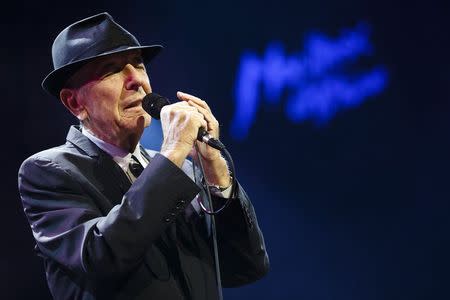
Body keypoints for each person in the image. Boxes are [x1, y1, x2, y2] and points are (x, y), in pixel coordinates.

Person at [17, 12, 269, 300]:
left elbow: (246, 267)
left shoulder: (184, 170)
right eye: (112, 70)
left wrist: (215, 171)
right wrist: (173, 152)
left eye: (138, 64)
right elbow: (102, 256)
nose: (136, 80)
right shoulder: (48, 171)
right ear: (75, 102)